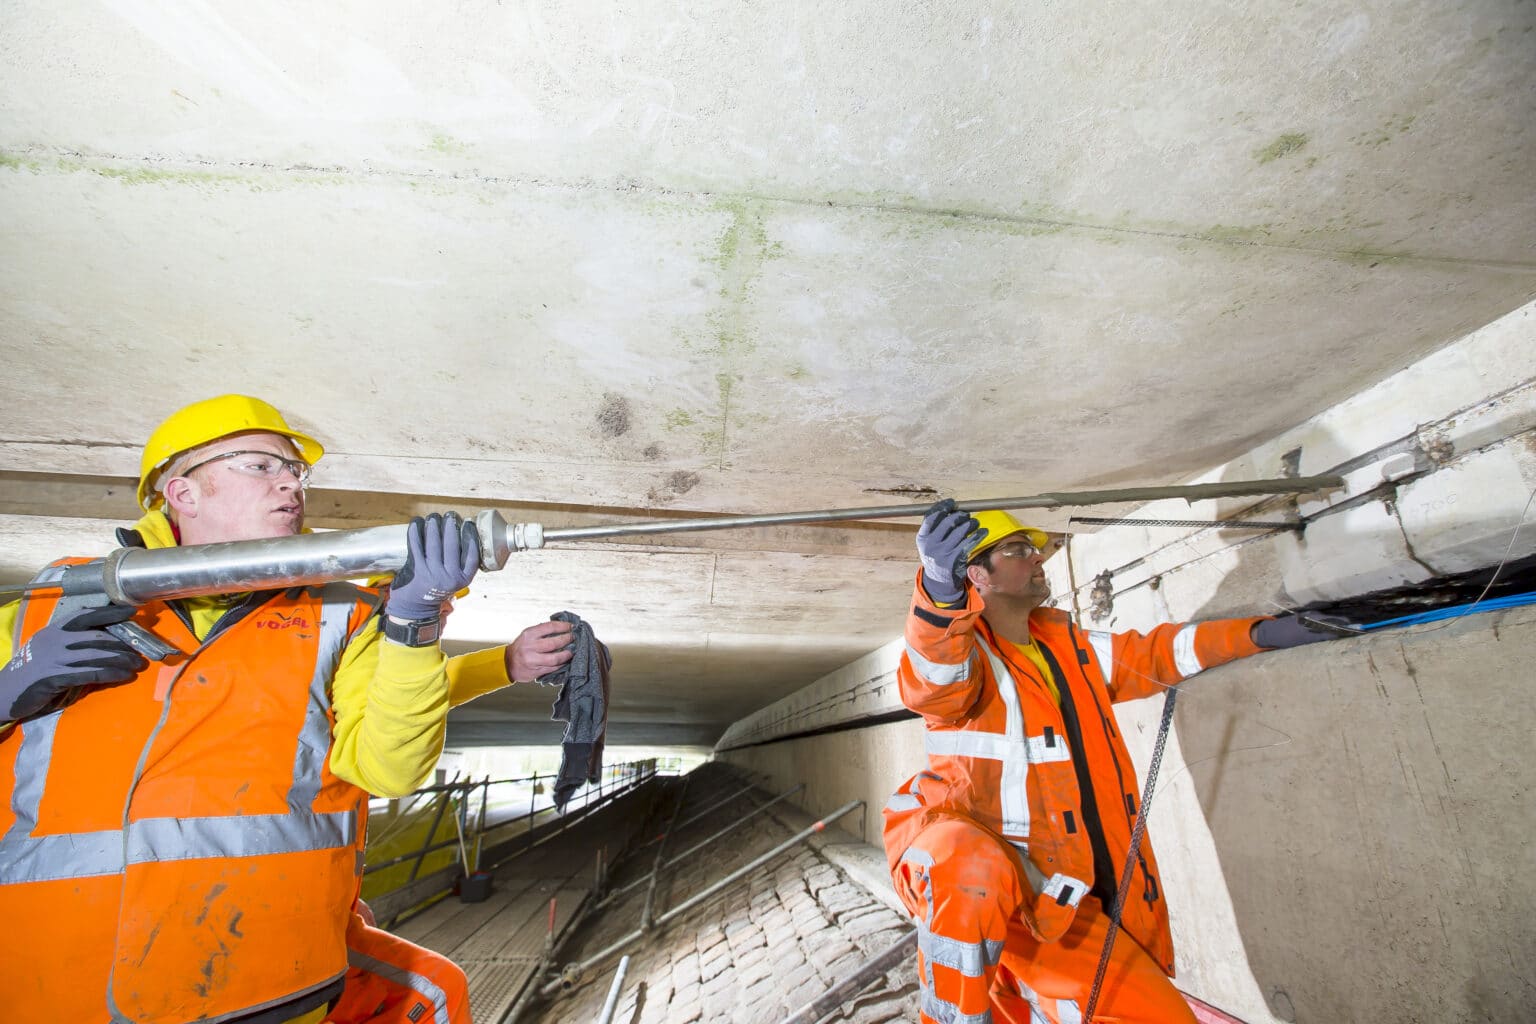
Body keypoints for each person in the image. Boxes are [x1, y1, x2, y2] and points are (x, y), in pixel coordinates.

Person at [0, 395, 576, 1024]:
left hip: (260, 987)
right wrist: (12, 684)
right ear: (182, 494)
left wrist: (413, 627)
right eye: (260, 465)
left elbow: (386, 764)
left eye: (296, 472)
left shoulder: (339, 614)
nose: (291, 484)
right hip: (42, 981)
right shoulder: (54, 603)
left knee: (432, 995)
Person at [883, 501, 1355, 1024]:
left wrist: (1260, 635)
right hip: (998, 894)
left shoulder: (1067, 646)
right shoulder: (966, 661)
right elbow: (932, 680)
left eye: (1036, 550)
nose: (1038, 560)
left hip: (1065, 900)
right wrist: (939, 593)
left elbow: (1157, 654)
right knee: (967, 862)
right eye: (1019, 551)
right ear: (978, 574)